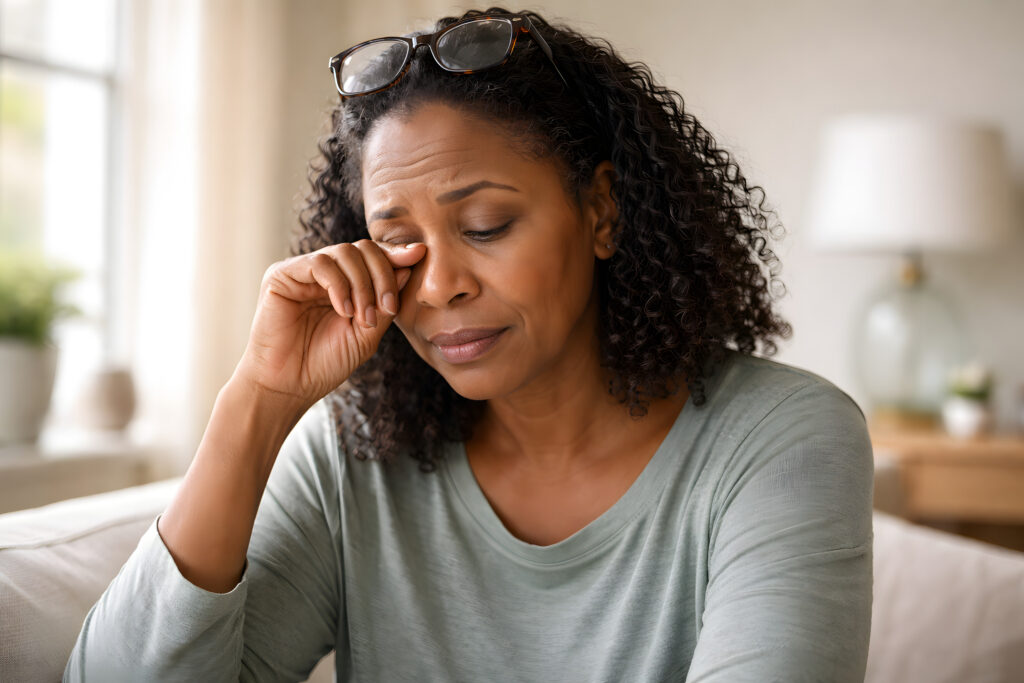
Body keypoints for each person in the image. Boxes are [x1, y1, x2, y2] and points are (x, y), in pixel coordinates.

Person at [65, 7, 873, 682]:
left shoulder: (779, 440)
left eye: (485, 225)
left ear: (602, 211)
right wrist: (257, 399)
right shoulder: (354, 456)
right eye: (399, 242)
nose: (438, 285)